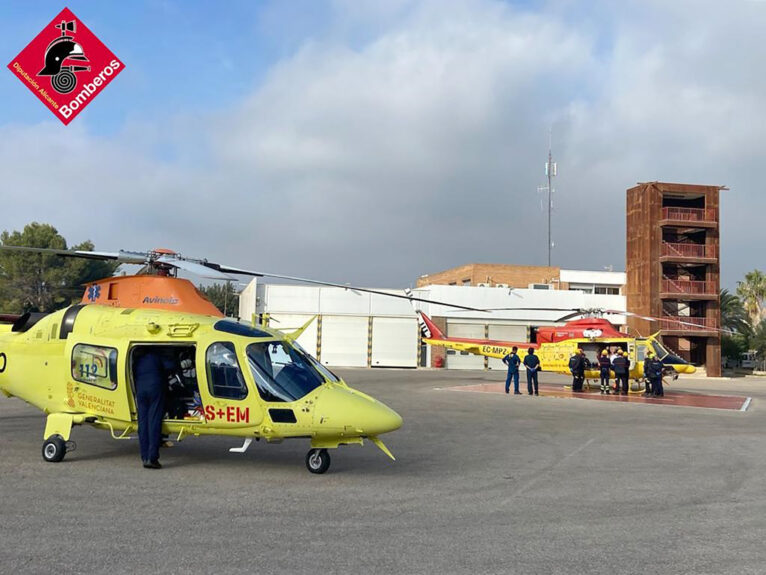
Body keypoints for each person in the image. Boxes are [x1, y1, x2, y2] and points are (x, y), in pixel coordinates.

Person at [133, 347, 167, 469]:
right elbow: (170, 366)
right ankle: (152, 458)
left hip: (140, 390)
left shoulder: (138, 359)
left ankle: (145, 457)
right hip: (155, 390)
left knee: (142, 423)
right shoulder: (156, 356)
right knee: (154, 422)